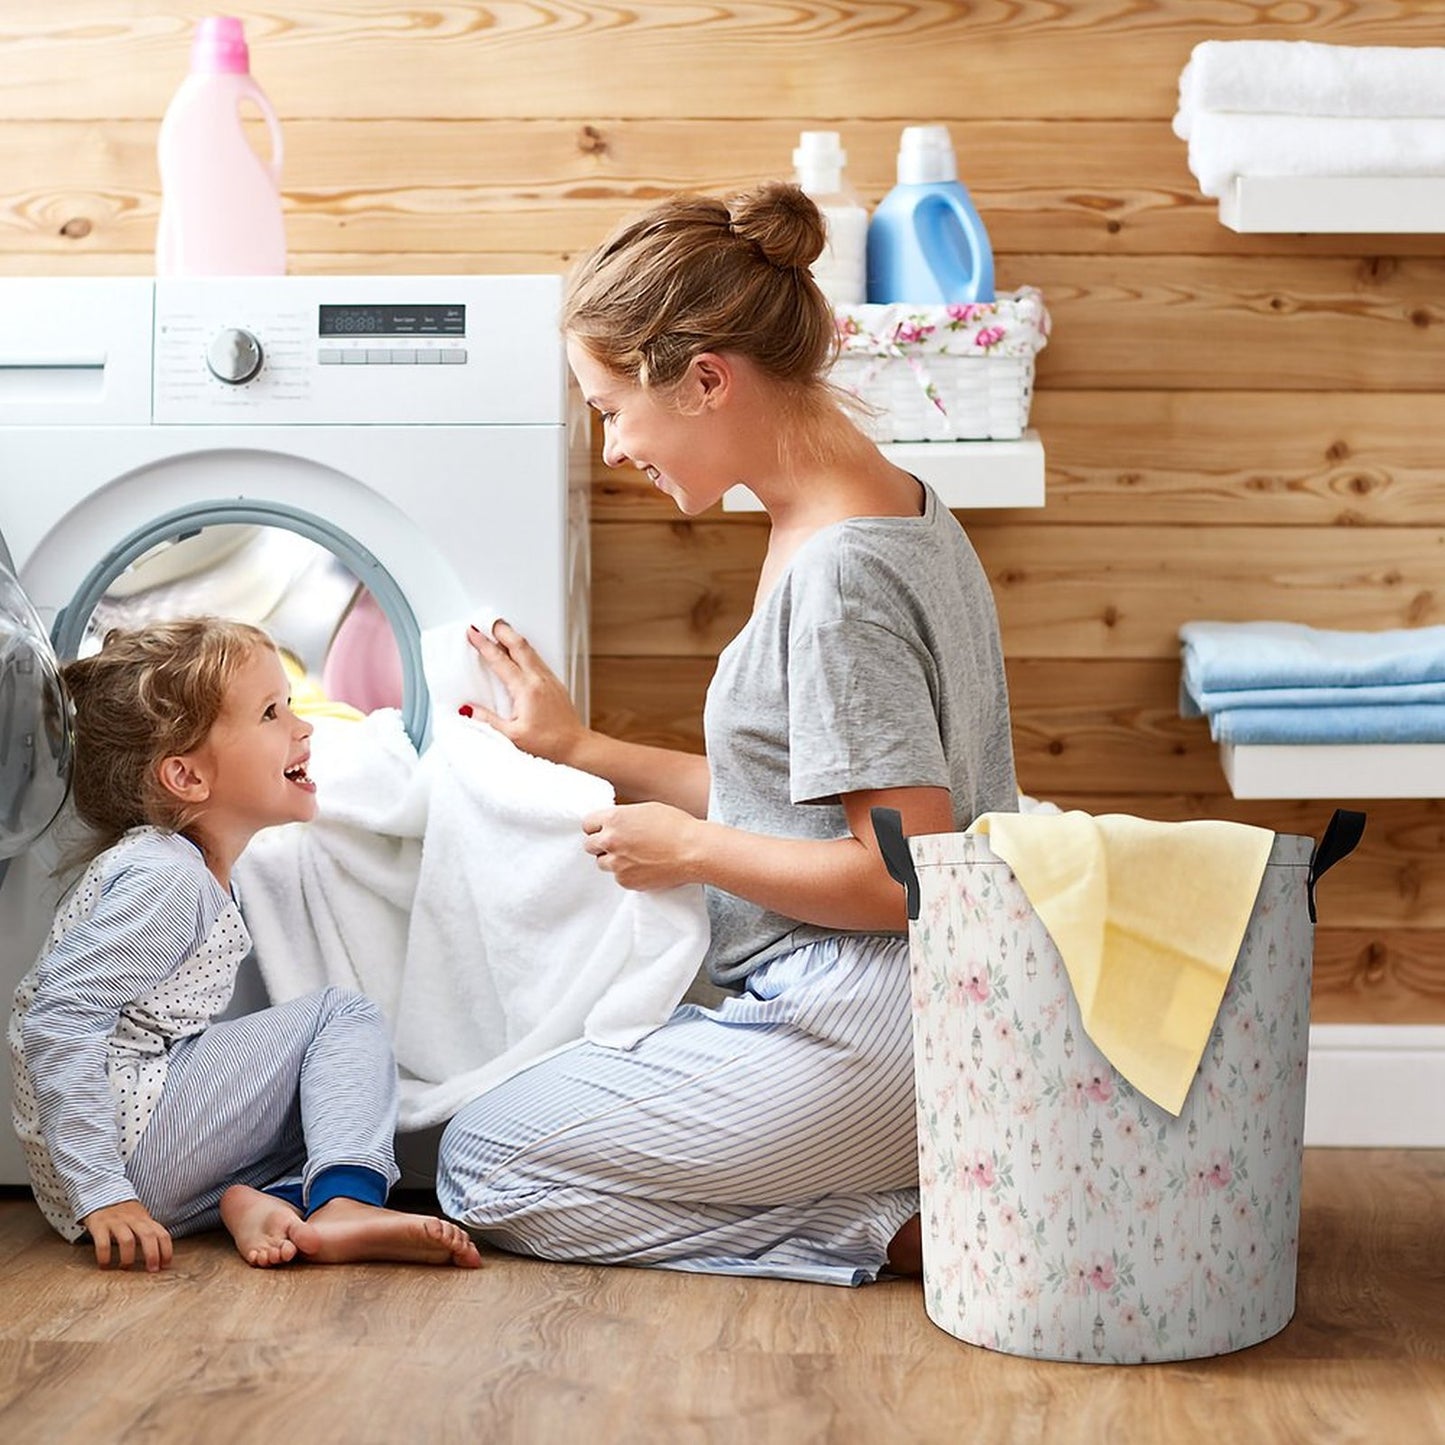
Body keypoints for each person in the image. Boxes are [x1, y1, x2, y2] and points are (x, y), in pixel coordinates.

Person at [436, 181, 1017, 1286]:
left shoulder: (839, 573)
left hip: (870, 1021)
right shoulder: (879, 507)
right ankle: (888, 1201)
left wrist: (686, 850)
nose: (609, 448)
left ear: (705, 380)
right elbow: (796, 791)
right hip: (919, 1008)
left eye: (610, 407)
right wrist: (578, 745)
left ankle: (894, 1231)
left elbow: (905, 876)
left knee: (480, 1163)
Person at [9, 617, 482, 1273]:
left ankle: (253, 1202)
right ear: (186, 777)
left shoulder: (181, 868)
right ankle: (344, 1205)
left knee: (327, 1093)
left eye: (289, 704)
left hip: (127, 1153)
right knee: (340, 1018)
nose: (302, 726)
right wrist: (102, 1191)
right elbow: (58, 1017)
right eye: (269, 712)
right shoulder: (166, 876)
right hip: (123, 1154)